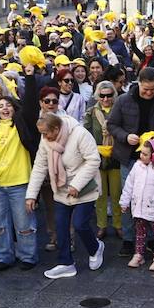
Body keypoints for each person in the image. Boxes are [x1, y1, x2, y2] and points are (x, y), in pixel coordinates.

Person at [107, 66, 154, 258]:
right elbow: (112, 125)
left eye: (153, 89)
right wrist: (125, 136)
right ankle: (129, 239)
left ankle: (150, 238)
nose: (148, 93)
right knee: (130, 198)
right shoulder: (123, 100)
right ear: (138, 83)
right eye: (145, 89)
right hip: (130, 157)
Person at [28, 112, 105, 280]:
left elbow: (93, 160)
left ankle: (95, 248)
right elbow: (40, 166)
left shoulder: (80, 134)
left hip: (84, 188)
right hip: (61, 189)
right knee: (61, 225)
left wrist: (76, 184)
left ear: (56, 129)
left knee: (80, 224)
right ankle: (66, 263)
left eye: (45, 133)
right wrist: (31, 195)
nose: (43, 137)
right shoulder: (46, 140)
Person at [0, 95, 38, 271]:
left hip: (20, 183)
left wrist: (29, 76)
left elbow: (30, 107)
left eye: (8, 105)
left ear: (14, 108)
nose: (4, 109)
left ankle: (28, 256)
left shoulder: (21, 125)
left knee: (24, 223)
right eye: (0, 106)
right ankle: (3, 256)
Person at [121, 135, 154, 271]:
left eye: (145, 154)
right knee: (139, 231)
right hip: (138, 206)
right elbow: (129, 185)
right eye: (141, 153)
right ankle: (139, 254)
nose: (141, 156)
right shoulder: (137, 166)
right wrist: (124, 201)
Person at [84, 80, 123, 240]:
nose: (106, 99)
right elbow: (85, 133)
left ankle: (118, 225)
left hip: (115, 156)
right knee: (99, 195)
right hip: (97, 157)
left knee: (117, 194)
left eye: (109, 95)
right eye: (102, 95)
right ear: (97, 96)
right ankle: (102, 225)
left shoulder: (119, 111)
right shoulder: (91, 112)